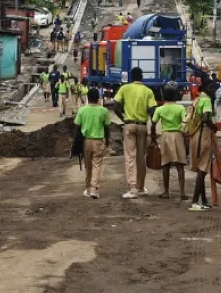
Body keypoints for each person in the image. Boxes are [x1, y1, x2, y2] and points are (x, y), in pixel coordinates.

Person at [113, 66, 157, 199]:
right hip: (142, 126)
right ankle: (141, 187)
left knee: (130, 156)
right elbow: (152, 110)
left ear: (131, 77)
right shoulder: (148, 91)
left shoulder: (125, 88)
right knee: (140, 157)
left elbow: (115, 105)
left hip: (129, 125)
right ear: (142, 77)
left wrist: (123, 118)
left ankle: (132, 188)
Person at [151, 86, 188, 200]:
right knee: (180, 165)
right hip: (177, 135)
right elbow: (185, 121)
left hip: (165, 135)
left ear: (164, 97)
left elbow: (153, 124)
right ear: (175, 96)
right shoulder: (180, 108)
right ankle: (182, 192)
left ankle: (166, 192)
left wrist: (153, 137)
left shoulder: (160, 109)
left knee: (165, 164)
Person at [74, 87, 111, 199]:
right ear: (98, 98)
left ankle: (87, 188)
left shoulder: (82, 110)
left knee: (88, 166)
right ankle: (94, 189)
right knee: (97, 165)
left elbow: (77, 127)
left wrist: (75, 142)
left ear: (88, 98)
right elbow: (107, 127)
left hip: (85, 141)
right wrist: (107, 139)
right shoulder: (104, 111)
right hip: (98, 141)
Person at [188, 83, 216, 211]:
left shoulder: (196, 100)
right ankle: (194, 202)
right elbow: (206, 118)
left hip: (195, 135)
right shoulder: (207, 100)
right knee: (203, 169)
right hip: (203, 135)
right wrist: (214, 127)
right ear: (207, 88)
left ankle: (203, 200)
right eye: (212, 88)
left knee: (201, 169)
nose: (214, 91)